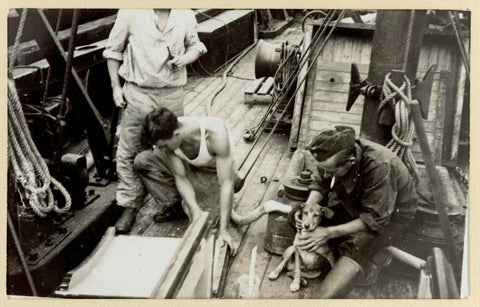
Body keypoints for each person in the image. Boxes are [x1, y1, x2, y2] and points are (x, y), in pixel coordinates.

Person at [103, 9, 207, 233]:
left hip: (172, 94)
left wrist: (184, 59)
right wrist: (115, 87)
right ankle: (130, 206)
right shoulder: (130, 13)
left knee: (173, 151)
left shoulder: (185, 15)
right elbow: (113, 51)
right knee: (129, 150)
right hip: (138, 93)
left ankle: (173, 200)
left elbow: (197, 46)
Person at [294, 126, 418, 298]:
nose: (327, 174)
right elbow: (320, 183)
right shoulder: (332, 157)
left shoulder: (380, 165)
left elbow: (375, 219)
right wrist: (306, 210)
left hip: (391, 218)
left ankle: (322, 298)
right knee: (295, 211)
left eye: (331, 171)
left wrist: (328, 233)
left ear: (350, 161)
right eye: (324, 169)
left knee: (357, 243)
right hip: (354, 204)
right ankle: (337, 256)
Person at [133, 107, 245, 254]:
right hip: (190, 168)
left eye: (164, 146)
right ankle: (177, 204)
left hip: (213, 173)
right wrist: (195, 209)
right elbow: (180, 176)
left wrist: (224, 230)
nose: (163, 149)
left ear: (176, 135)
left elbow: (226, 183)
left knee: (211, 224)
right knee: (142, 161)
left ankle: (209, 193)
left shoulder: (216, 135)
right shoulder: (171, 139)